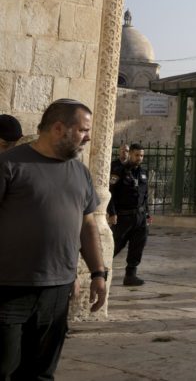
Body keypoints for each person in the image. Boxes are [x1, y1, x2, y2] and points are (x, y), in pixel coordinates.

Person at [0, 99, 108, 379]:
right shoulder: (10, 165)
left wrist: (98, 273)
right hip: (8, 290)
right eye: (83, 130)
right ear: (59, 128)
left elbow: (87, 224)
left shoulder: (80, 172)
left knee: (42, 372)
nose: (88, 137)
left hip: (57, 292)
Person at [107, 142, 150, 286]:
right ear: (130, 154)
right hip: (124, 216)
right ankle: (101, 269)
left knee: (138, 245)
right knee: (115, 245)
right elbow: (109, 193)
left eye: (142, 155)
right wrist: (112, 213)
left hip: (140, 217)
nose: (139, 158)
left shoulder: (143, 173)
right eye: (137, 155)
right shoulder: (119, 171)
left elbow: (145, 195)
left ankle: (130, 275)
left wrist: (147, 214)